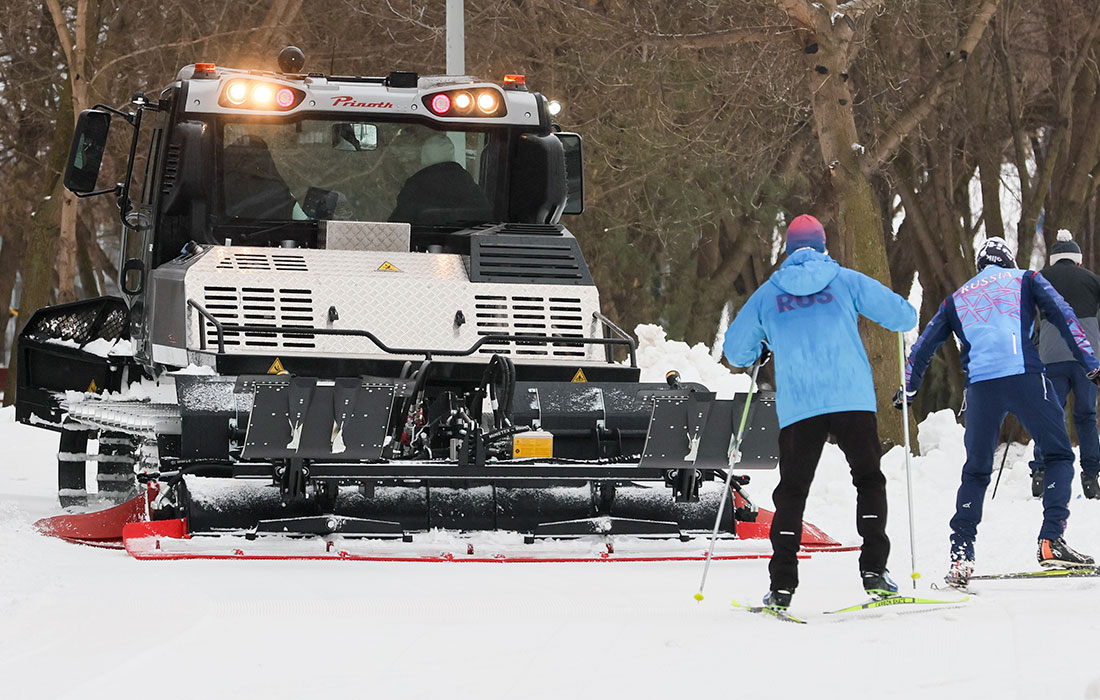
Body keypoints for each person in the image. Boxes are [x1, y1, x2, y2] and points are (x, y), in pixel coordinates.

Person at [723, 214, 917, 612]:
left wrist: (761, 347)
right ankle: (874, 570)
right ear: (823, 247)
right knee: (868, 479)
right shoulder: (845, 279)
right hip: (852, 398)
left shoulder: (768, 293)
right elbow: (903, 315)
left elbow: (734, 351)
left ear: (789, 251)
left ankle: (782, 585)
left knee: (792, 493)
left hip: (800, 405)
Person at [900, 236, 1099, 590]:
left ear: (980, 266)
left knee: (976, 470)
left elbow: (923, 346)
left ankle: (962, 553)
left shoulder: (957, 298)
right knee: (1057, 454)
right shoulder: (1026, 279)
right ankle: (1052, 540)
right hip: (1025, 377)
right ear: (1008, 261)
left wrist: (908, 390)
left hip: (981, 388)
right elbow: (1065, 316)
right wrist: (1091, 364)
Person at [1027, 230, 1100, 500]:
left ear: (1054, 259)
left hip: (1051, 357)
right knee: (1086, 417)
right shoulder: (1092, 280)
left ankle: (1041, 473)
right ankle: (1091, 477)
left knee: (1049, 416)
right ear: (1077, 261)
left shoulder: (1040, 279)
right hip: (1087, 361)